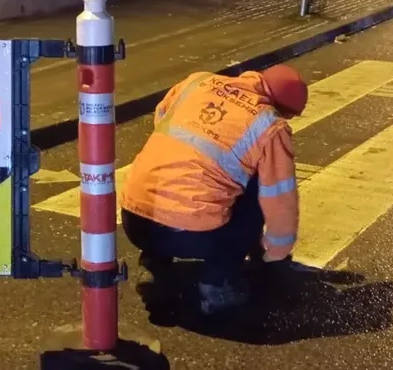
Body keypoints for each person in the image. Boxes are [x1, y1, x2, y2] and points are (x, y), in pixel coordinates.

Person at [120, 64, 307, 316]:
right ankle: (217, 287)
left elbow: (162, 115)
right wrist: (275, 253)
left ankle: (155, 266)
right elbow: (279, 199)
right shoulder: (270, 126)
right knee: (256, 188)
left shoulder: (197, 82)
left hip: (134, 219)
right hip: (190, 235)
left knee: (172, 177)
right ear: (281, 108)